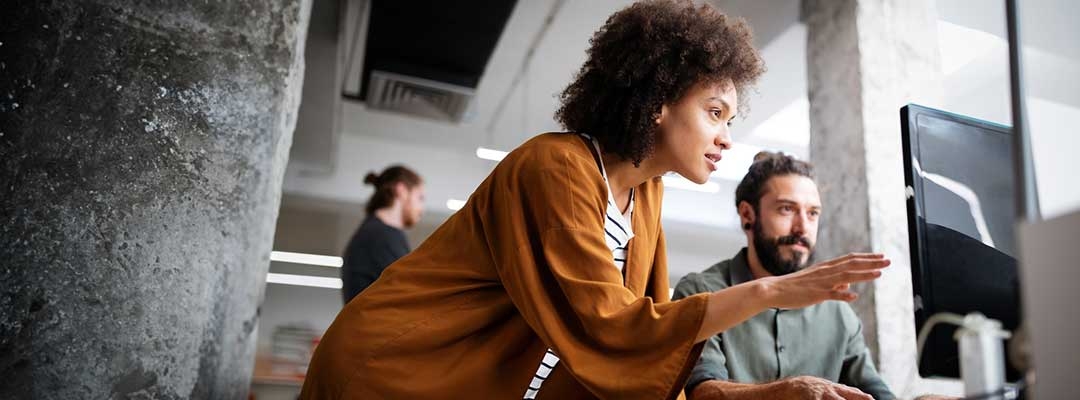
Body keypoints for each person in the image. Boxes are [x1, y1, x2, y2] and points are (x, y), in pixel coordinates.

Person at [300, 2, 890, 399]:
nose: (726, 137)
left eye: (730, 119)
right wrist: (768, 292)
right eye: (714, 112)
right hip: (395, 371)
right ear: (659, 99)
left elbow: (646, 346)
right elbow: (611, 327)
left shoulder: (646, 196)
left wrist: (770, 392)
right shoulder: (554, 166)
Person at [673, 152, 896, 400]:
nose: (802, 228)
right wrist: (787, 391)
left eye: (812, 213)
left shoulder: (837, 310)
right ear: (748, 215)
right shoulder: (700, 292)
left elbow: (876, 393)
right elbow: (701, 393)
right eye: (787, 209)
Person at [340, 165, 424, 304]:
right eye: (420, 198)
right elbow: (409, 294)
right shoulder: (380, 236)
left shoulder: (378, 233)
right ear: (401, 190)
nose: (421, 209)